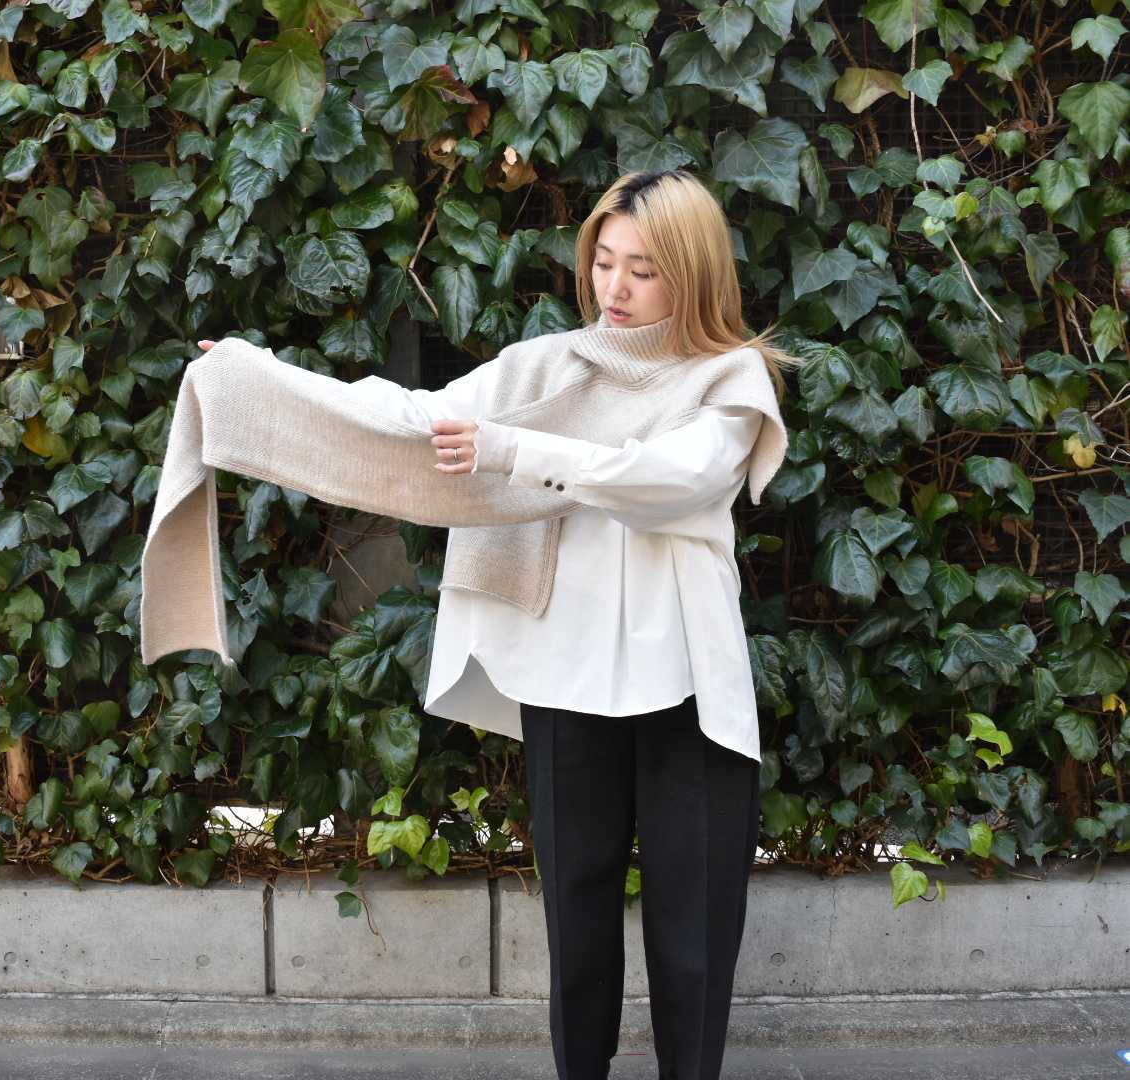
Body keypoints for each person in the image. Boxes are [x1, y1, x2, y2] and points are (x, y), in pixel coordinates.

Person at [194, 169, 796, 1080]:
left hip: (687, 687)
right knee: (576, 925)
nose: (615, 288)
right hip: (562, 673)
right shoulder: (547, 368)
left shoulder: (729, 380)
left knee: (696, 931)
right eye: (604, 261)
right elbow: (412, 417)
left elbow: (673, 481)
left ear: (695, 274)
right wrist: (264, 380)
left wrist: (516, 451)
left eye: (643, 270)